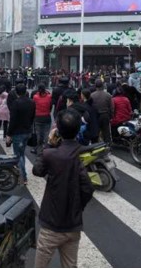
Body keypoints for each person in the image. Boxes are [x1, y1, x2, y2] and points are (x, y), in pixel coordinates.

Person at [32, 110, 94, 268]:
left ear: (58, 130)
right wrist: (77, 207)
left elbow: (37, 170)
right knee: (70, 265)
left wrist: (48, 143)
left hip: (51, 226)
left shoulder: (51, 154)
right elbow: (87, 188)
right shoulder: (80, 151)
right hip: (73, 226)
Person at [8, 83, 34, 185]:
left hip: (18, 132)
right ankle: (22, 175)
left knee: (18, 155)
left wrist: (9, 133)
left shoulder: (16, 103)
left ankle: (23, 177)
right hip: (27, 131)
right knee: (22, 154)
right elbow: (32, 117)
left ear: (16, 92)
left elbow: (12, 120)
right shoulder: (32, 102)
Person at [32, 84, 53, 154]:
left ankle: (36, 148)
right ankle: (45, 148)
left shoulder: (35, 97)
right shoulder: (49, 96)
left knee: (38, 133)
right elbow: (50, 106)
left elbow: (33, 106)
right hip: (47, 117)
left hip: (38, 117)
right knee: (46, 133)